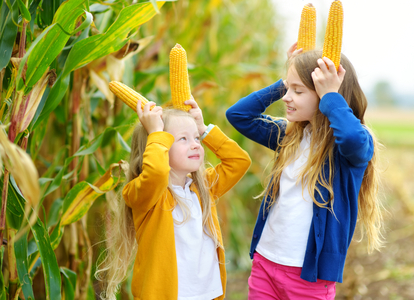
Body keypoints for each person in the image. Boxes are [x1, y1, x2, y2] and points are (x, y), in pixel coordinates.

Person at [226, 44, 384, 299]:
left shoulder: (346, 149)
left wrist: (332, 97)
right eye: (288, 89)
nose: (287, 97)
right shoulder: (289, 135)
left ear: (325, 95)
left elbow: (354, 140)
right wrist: (286, 81)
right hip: (265, 263)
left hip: (308, 277)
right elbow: (238, 115)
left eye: (297, 91)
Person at [95, 98, 251, 300]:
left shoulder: (203, 187)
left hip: (206, 294)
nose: (195, 145)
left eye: (196, 138)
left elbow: (239, 161)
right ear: (156, 146)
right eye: (183, 139)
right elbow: (157, 174)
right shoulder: (145, 194)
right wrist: (156, 134)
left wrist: (204, 129)